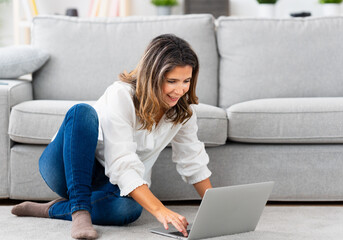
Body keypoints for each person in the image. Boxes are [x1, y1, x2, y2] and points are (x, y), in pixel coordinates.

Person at [11, 34, 213, 239]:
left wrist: (214, 208)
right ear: (152, 76)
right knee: (82, 112)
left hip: (108, 182)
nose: (180, 90)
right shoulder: (122, 94)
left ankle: (53, 210)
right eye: (171, 81)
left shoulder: (183, 112)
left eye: (186, 81)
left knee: (129, 210)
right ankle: (80, 212)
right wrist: (160, 210)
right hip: (66, 166)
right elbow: (121, 162)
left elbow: (192, 160)